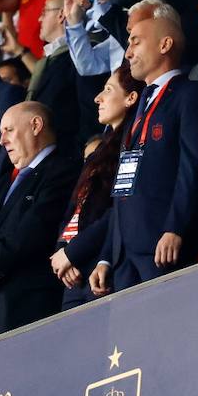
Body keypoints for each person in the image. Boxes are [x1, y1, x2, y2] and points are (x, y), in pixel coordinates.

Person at [88, 6, 198, 293]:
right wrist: (107, 257)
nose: (128, 52)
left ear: (165, 44)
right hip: (125, 256)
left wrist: (176, 228)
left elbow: (194, 169)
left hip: (164, 244)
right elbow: (122, 188)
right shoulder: (140, 106)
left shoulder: (192, 95)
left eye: (136, 41)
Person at [0, 103, 79, 337]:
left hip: (30, 308)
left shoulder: (63, 169)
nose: (2, 140)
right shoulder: (3, 181)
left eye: (9, 130)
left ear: (35, 125)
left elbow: (33, 230)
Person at [52, 65, 145, 308]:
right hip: (72, 273)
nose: (97, 98)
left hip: (99, 267)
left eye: (108, 90)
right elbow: (74, 211)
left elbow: (117, 210)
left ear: (130, 98)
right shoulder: (99, 150)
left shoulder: (133, 145)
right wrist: (63, 250)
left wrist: (74, 253)